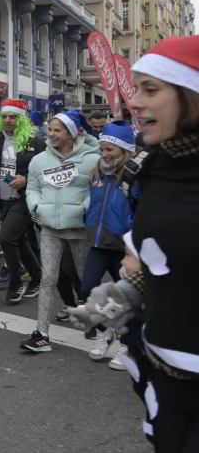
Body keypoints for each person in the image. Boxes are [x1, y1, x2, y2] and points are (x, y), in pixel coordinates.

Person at [117, 35, 199, 453]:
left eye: (150, 89)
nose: (134, 101)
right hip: (170, 376)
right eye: (135, 89)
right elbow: (148, 261)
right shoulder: (155, 167)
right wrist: (113, 300)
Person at [20, 111, 100, 353]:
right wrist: (36, 207)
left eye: (57, 130)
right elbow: (32, 188)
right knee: (47, 279)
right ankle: (41, 333)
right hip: (49, 228)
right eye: (50, 129)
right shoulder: (39, 160)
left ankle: (97, 327)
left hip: (79, 229)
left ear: (71, 133)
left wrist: (83, 209)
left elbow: (96, 190)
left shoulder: (92, 159)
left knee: (87, 282)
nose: (51, 134)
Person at [0, 100, 45, 303]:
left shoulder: (35, 141)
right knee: (19, 240)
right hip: (2, 198)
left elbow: (46, 169)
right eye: (4, 116)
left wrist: (26, 178)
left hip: (24, 198)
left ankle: (15, 283)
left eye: (13, 116)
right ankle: (38, 277)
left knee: (6, 238)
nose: (8, 120)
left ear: (22, 119)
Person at [82, 121, 137, 362]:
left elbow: (140, 211)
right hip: (98, 243)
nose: (104, 154)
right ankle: (105, 333)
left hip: (123, 247)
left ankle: (128, 345)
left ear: (125, 150)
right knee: (87, 290)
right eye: (102, 149)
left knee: (126, 298)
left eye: (110, 150)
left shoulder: (134, 176)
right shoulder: (97, 171)